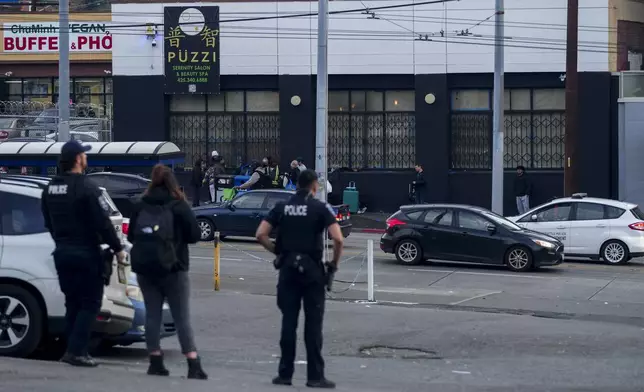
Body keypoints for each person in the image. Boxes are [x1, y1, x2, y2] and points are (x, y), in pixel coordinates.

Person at [255, 170, 344, 389]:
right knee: (313, 326)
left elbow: (260, 234)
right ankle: (315, 377)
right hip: (312, 273)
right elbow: (338, 239)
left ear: (296, 185)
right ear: (314, 186)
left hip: (287, 271)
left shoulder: (282, 207)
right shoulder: (319, 208)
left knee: (288, 323)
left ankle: (285, 374)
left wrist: (278, 252)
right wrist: (333, 265)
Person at [41, 140, 126, 367]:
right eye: (84, 155)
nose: (86, 159)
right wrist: (118, 248)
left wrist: (62, 241)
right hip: (87, 253)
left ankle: (71, 349)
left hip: (62, 252)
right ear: (78, 159)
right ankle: (77, 351)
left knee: (73, 303)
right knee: (90, 304)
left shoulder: (50, 188)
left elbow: (48, 222)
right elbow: (103, 223)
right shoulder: (86, 188)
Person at [127, 164, 207, 380]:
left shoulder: (140, 204)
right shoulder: (178, 205)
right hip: (175, 268)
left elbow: (131, 237)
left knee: (152, 314)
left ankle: (155, 361)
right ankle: (193, 363)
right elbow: (194, 235)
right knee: (181, 317)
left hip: (145, 269)